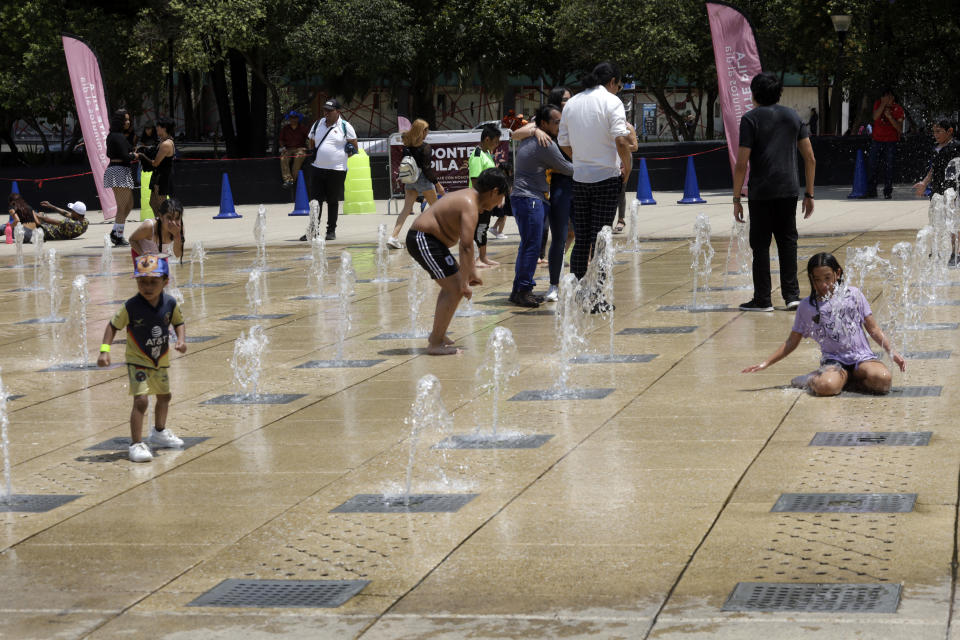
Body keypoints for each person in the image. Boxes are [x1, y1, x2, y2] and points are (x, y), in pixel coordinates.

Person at [742, 253, 905, 396]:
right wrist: (766, 363)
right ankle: (812, 379)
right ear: (811, 279)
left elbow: (873, 329)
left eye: (827, 278)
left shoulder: (853, 295)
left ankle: (845, 380)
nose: (823, 285)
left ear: (837, 273)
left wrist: (892, 352)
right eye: (817, 279)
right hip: (834, 362)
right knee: (826, 388)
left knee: (883, 382)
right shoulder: (807, 306)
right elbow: (792, 341)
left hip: (862, 358)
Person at [733, 71, 816, 312]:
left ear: (754, 93)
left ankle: (763, 299)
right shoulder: (793, 117)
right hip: (788, 190)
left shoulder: (750, 119)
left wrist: (737, 197)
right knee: (787, 241)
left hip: (761, 191)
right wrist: (809, 194)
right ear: (779, 93)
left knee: (760, 244)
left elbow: (741, 163)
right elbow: (810, 157)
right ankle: (792, 296)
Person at [406, 168, 508, 355]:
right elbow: (466, 246)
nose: (499, 204)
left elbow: (467, 248)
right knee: (454, 288)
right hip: (423, 239)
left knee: (451, 288)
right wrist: (464, 282)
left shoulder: (471, 199)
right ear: (494, 191)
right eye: (501, 197)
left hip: (432, 241)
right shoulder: (470, 203)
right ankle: (435, 343)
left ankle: (437, 335)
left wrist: (470, 273)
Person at [97, 254, 187, 462]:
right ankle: (136, 444)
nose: (147, 286)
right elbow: (112, 326)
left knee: (165, 396)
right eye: (142, 281)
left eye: (153, 282)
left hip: (160, 358)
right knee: (141, 401)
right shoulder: (131, 306)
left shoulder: (170, 303)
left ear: (165, 281)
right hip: (137, 360)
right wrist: (104, 350)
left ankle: (159, 431)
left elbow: (179, 322)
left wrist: (181, 340)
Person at [558, 61, 634, 298]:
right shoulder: (612, 102)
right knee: (601, 239)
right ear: (612, 82)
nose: (618, 89)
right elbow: (621, 141)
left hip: (580, 179)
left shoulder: (572, 103)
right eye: (619, 85)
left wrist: (580, 159)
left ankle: (580, 290)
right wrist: (628, 168)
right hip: (606, 178)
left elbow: (563, 142)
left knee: (582, 239)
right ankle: (598, 296)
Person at [509, 104, 573, 308]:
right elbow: (566, 168)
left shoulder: (532, 136)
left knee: (528, 244)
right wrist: (592, 165)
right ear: (544, 123)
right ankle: (523, 290)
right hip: (530, 199)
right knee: (532, 246)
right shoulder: (545, 143)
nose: (560, 125)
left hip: (524, 197)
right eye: (556, 122)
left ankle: (519, 289)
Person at [387, 118, 445, 249]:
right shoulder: (425, 147)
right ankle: (441, 237)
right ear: (422, 131)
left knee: (406, 209)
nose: (428, 132)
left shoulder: (407, 145)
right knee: (436, 209)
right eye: (427, 130)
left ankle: (393, 237)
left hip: (410, 180)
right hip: (423, 180)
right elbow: (427, 169)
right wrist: (438, 184)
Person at [306, 98, 358, 241]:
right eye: (325, 110)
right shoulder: (317, 124)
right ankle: (313, 231)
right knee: (315, 201)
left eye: (329, 110)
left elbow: (354, 147)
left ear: (338, 111)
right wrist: (316, 153)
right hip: (317, 168)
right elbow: (311, 141)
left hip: (337, 170)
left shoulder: (345, 126)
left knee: (332, 200)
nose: (326, 113)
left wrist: (346, 152)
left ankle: (331, 231)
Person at [912, 119, 960, 264]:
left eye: (938, 131)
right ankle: (937, 250)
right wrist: (924, 183)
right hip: (938, 189)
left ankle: (956, 252)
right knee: (937, 219)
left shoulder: (956, 147)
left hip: (953, 189)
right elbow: (933, 169)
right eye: (934, 132)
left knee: (953, 221)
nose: (935, 135)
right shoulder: (936, 148)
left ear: (950, 131)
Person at [468, 123, 502, 267]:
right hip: (479, 200)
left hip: (488, 200)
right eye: (495, 142)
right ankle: (477, 259)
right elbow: (475, 180)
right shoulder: (477, 155)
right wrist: (481, 203)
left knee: (484, 227)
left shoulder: (487, 154)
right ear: (487, 139)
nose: (496, 145)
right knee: (479, 228)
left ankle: (483, 257)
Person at [104, 109, 137, 247]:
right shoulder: (118, 136)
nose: (128, 122)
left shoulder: (114, 136)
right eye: (126, 120)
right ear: (120, 121)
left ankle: (115, 232)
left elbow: (109, 153)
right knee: (123, 207)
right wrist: (134, 156)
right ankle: (118, 236)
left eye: (129, 119)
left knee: (128, 205)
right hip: (119, 171)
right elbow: (125, 155)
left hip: (117, 171)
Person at [866, 89, 904, 199]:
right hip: (876, 140)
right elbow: (875, 117)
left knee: (889, 167)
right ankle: (871, 191)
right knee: (872, 166)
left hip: (890, 142)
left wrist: (890, 117)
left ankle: (888, 191)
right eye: (884, 97)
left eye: (888, 97)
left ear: (892, 97)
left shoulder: (898, 109)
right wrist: (882, 104)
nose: (886, 99)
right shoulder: (878, 104)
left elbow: (900, 129)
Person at [136, 116, 176, 215]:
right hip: (157, 175)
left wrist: (142, 155)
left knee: (162, 204)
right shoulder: (162, 141)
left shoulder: (166, 144)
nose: (156, 128)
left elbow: (155, 163)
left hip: (162, 177)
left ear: (165, 128)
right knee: (152, 203)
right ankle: (160, 224)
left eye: (159, 126)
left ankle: (169, 225)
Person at [129, 197, 184, 262]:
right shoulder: (149, 227)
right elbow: (132, 240)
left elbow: (178, 254)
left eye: (177, 218)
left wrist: (177, 236)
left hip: (161, 255)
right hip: (141, 254)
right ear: (160, 216)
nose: (173, 222)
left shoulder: (179, 228)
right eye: (169, 217)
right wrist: (142, 254)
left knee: (163, 272)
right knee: (149, 271)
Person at [279, 110, 310, 188]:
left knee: (299, 157)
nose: (293, 119)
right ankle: (288, 180)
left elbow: (310, 138)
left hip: (300, 149)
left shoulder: (303, 128)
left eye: (295, 117)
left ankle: (292, 180)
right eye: (291, 118)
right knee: (283, 158)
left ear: (298, 118)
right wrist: (283, 148)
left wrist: (308, 148)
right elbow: (281, 140)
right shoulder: (285, 128)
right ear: (289, 119)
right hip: (288, 149)